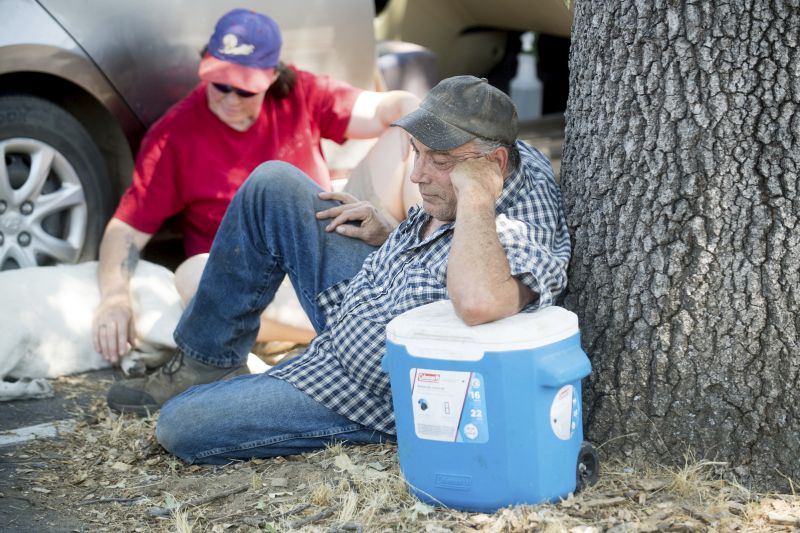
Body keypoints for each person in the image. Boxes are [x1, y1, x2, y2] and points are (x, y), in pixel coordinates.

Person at [106, 76, 571, 464]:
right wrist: (389, 231)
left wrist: (474, 195)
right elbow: (442, 248)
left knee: (180, 426)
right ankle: (207, 360)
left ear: (494, 166)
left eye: (440, 162)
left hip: (364, 388)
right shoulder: (504, 151)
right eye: (418, 153)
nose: (418, 174)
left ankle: (288, 401)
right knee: (274, 183)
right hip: (372, 293)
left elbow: (479, 301)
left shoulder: (516, 221)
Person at [92, 8, 420, 364]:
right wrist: (114, 297)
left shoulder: (300, 92)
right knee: (192, 277)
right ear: (204, 66)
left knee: (407, 133)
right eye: (220, 84)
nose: (231, 99)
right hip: (263, 288)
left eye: (245, 89)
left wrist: (414, 107)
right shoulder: (172, 136)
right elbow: (125, 228)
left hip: (333, 247)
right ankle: (363, 326)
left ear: (271, 77)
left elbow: (380, 109)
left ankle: (431, 263)